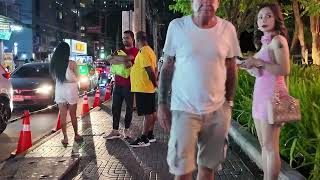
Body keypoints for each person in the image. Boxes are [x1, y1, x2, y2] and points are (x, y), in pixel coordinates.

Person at [157, 0, 241, 179]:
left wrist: (229, 103)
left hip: (217, 111)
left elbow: (232, 67)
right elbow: (167, 66)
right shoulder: (177, 26)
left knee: (208, 168)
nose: (206, 2)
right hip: (183, 110)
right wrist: (162, 103)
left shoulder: (228, 29)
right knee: (182, 170)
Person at [240, 3, 290, 180]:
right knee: (264, 146)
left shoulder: (278, 41)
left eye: (268, 16)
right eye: (260, 17)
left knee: (270, 147)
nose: (263, 20)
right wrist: (248, 66)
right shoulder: (264, 43)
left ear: (276, 18)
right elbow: (263, 73)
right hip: (260, 97)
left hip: (273, 97)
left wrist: (258, 63)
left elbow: (284, 69)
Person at [104, 30, 139, 139]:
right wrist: (122, 60)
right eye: (123, 38)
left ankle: (126, 129)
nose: (124, 40)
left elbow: (129, 59)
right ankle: (115, 131)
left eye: (127, 38)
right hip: (118, 84)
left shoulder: (136, 51)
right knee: (115, 108)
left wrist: (117, 59)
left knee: (129, 108)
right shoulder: (120, 50)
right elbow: (108, 59)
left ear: (132, 39)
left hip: (129, 84)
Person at [50, 42, 82, 145]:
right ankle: (76, 135)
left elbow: (54, 79)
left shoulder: (54, 64)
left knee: (62, 114)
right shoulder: (72, 63)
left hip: (59, 89)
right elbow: (79, 77)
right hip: (71, 90)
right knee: (73, 114)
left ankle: (65, 138)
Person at [129, 31, 157, 148]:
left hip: (144, 87)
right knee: (151, 112)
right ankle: (150, 134)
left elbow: (150, 70)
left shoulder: (144, 51)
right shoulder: (150, 50)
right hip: (147, 87)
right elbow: (155, 69)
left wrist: (155, 83)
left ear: (137, 40)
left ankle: (144, 138)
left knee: (147, 114)